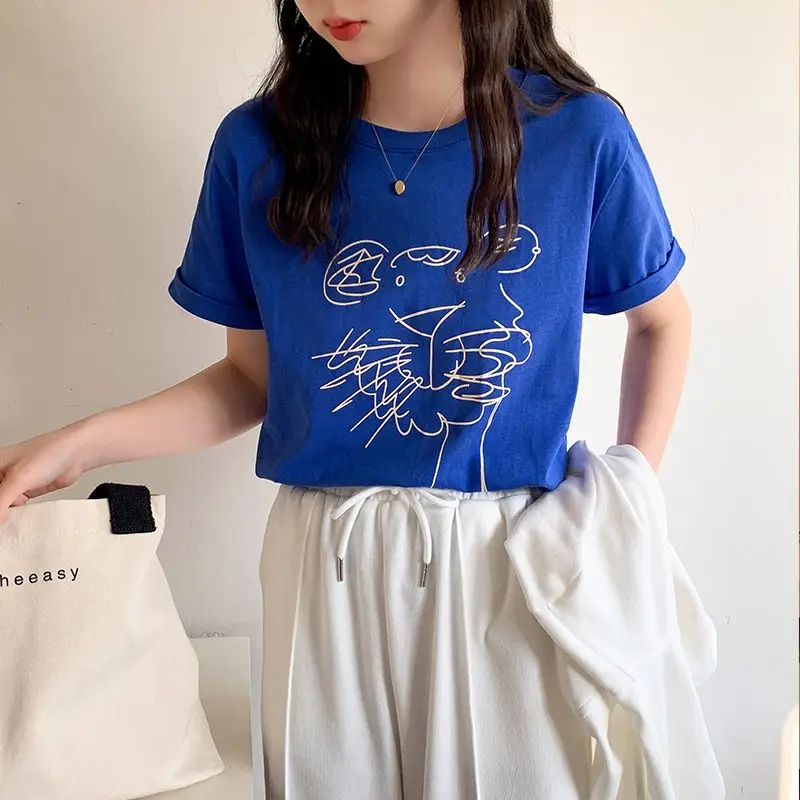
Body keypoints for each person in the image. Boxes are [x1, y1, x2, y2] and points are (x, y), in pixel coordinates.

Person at [0, 0, 692, 797]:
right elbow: (252, 380)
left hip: (506, 561)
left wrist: (626, 503)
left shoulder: (577, 136)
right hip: (320, 563)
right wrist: (75, 446)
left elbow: (662, 323)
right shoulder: (259, 146)